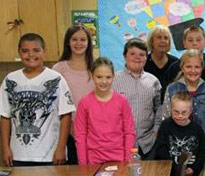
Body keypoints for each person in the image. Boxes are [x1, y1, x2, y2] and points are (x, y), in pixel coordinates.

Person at [0, 33, 75, 167]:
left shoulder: (56, 79)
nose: (30, 55)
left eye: (36, 50)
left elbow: (66, 115)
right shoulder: (10, 80)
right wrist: (5, 148)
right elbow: (5, 116)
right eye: (25, 51)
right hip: (18, 155)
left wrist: (61, 147)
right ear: (19, 52)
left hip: (49, 155)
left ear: (44, 51)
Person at [75, 57, 136, 165]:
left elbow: (129, 132)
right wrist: (83, 164)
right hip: (93, 161)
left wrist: (127, 160)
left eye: (108, 77)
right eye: (99, 77)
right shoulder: (84, 103)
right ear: (92, 76)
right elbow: (80, 135)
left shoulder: (122, 101)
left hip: (119, 159)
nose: (104, 81)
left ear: (113, 77)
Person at [113, 38, 162, 159]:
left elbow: (159, 108)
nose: (137, 57)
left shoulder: (153, 81)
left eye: (141, 55)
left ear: (146, 57)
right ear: (125, 56)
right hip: (120, 143)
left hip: (147, 144)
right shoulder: (113, 80)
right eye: (132, 54)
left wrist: (156, 130)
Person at [53, 25, 94, 164]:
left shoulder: (95, 67)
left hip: (94, 131)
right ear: (68, 42)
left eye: (83, 39)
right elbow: (55, 103)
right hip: (67, 131)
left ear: (89, 43)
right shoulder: (59, 68)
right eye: (74, 39)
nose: (78, 43)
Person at [161, 49, 205, 141]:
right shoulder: (172, 89)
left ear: (202, 68)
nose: (193, 71)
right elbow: (165, 118)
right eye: (188, 67)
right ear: (182, 68)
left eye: (197, 67)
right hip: (178, 143)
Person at [163, 25, 205, 91]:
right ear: (184, 43)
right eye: (190, 40)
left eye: (198, 40)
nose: (194, 43)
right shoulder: (174, 68)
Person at [144, 25, 179, 93]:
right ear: (151, 41)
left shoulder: (175, 63)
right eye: (159, 37)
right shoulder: (143, 62)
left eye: (166, 38)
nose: (163, 41)